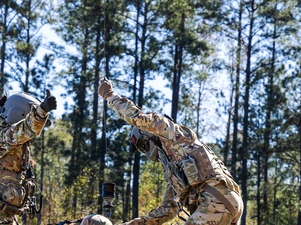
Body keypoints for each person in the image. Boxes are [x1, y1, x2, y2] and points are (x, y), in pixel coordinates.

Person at [98, 77, 244, 225]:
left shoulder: (173, 134)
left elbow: (138, 119)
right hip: (225, 204)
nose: (147, 153)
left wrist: (110, 96)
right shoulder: (174, 170)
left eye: (144, 146)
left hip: (215, 201)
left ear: (149, 136)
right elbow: (167, 211)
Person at [0, 90, 57, 225]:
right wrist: (41, 111)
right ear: (21, 114)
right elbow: (23, 130)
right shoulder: (2, 140)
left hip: (3, 217)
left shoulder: (18, 148)